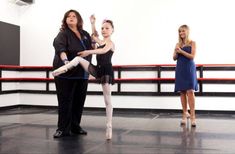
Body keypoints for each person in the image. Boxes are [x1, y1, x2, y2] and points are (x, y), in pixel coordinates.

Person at [52, 15, 115, 140]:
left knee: (107, 101)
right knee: (78, 59)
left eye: (107, 28)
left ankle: (109, 126)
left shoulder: (110, 43)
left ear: (112, 30)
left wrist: (89, 52)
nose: (103, 30)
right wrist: (93, 23)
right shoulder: (101, 42)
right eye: (102, 28)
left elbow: (102, 51)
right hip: (97, 69)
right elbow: (93, 37)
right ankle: (63, 68)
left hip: (106, 72)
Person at [52, 9, 93, 138]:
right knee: (65, 101)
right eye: (68, 16)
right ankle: (62, 128)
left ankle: (75, 126)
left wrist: (91, 70)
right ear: (65, 20)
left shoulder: (85, 34)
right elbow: (61, 49)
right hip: (66, 74)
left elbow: (92, 49)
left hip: (82, 74)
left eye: (74, 16)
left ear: (78, 19)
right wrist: (66, 62)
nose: (71, 17)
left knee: (79, 101)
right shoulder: (62, 34)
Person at [173, 24, 198, 127]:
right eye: (180, 31)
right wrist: (176, 51)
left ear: (187, 31)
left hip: (189, 68)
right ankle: (184, 114)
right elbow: (174, 58)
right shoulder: (178, 44)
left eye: (183, 31)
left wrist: (181, 51)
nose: (181, 33)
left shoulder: (192, 43)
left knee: (190, 91)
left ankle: (193, 116)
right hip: (180, 68)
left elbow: (192, 56)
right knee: (182, 91)